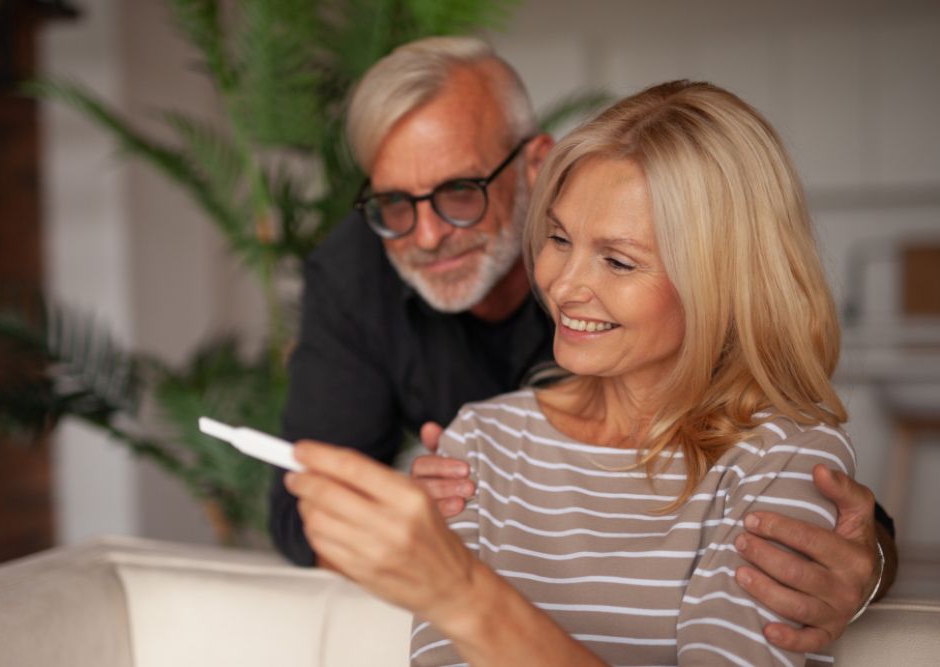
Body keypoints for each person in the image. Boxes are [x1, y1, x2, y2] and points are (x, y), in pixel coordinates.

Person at [269, 37, 895, 653]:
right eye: (396, 202)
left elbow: (816, 512)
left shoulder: (771, 455)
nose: (427, 234)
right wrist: (408, 525)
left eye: (460, 191)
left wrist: (869, 560)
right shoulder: (451, 403)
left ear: (533, 166)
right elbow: (301, 512)